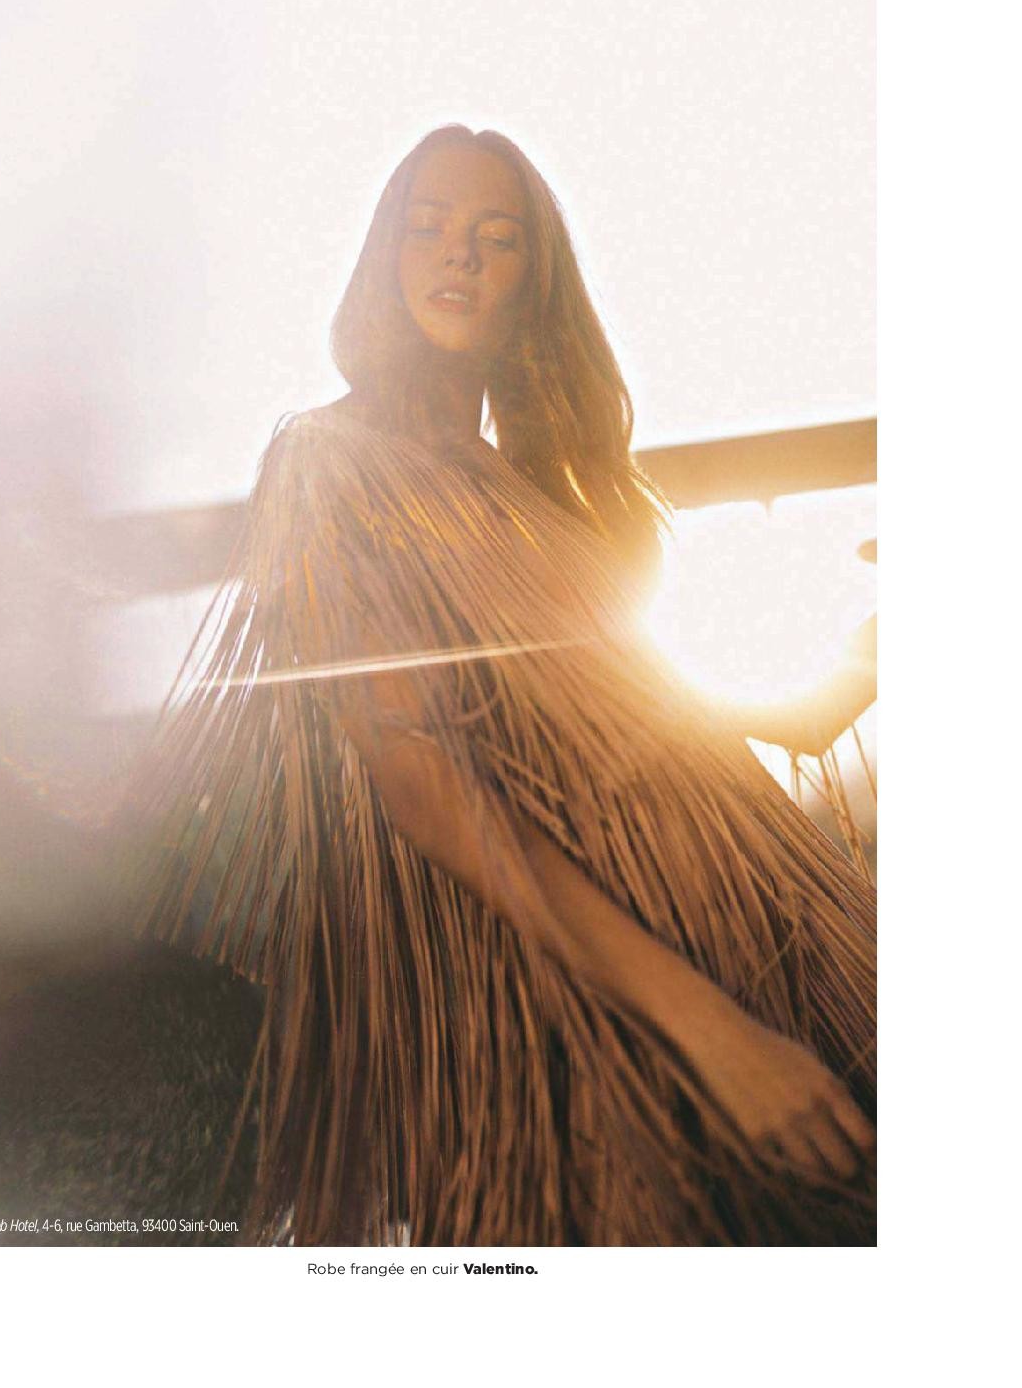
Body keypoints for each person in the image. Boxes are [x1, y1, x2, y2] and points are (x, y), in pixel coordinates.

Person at [128, 124, 876, 1246]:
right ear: (383, 253)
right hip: (576, 1003)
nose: (459, 255)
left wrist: (879, 644)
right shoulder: (328, 461)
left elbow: (715, 725)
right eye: (427, 226)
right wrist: (710, 1033)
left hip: (751, 938)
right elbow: (421, 783)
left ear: (536, 281)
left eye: (497, 236)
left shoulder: (539, 485)